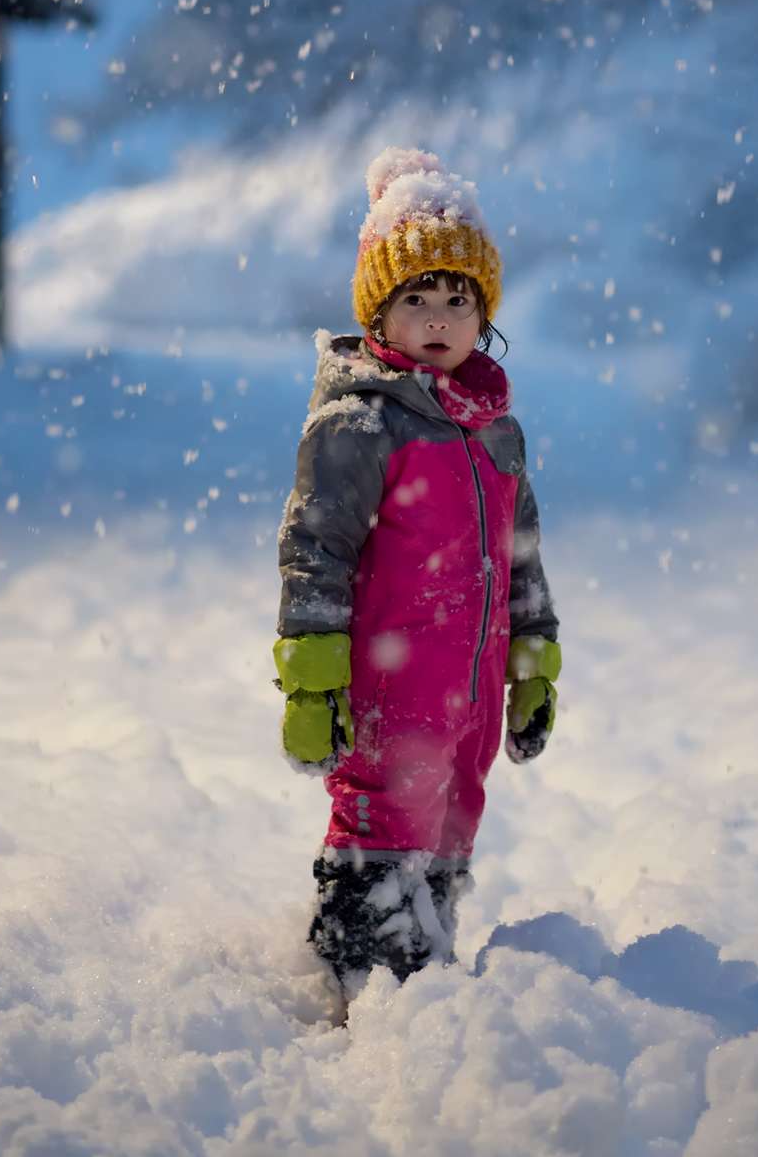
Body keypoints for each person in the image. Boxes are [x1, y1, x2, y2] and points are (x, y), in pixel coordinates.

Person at [273, 145, 561, 1018]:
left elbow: (522, 553)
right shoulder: (360, 422)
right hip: (389, 686)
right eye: (417, 300)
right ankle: (352, 993)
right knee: (381, 832)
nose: (439, 318)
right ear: (379, 315)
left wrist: (534, 657)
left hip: (467, 693)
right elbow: (314, 547)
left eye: (458, 300)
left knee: (446, 833)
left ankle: (426, 994)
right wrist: (313, 670)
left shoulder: (495, 430)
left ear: (484, 316)